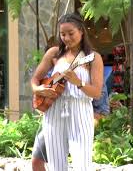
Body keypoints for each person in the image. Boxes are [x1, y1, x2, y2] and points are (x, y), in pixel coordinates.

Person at [31, 13, 103, 170]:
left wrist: (79, 82)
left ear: (81, 31)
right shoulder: (54, 53)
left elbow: (97, 93)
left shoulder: (93, 57)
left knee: (81, 164)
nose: (67, 38)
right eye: (63, 34)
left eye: (71, 33)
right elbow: (35, 80)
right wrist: (40, 90)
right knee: (56, 164)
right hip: (54, 111)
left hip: (80, 110)